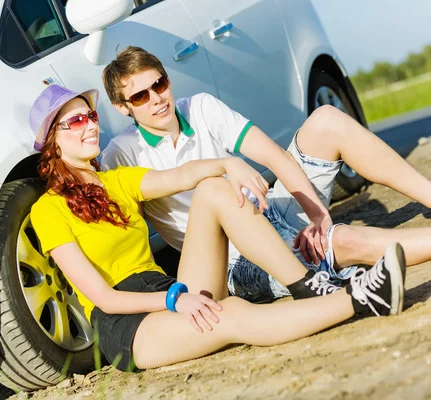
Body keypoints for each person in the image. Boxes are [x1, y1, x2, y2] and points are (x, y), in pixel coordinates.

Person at [100, 46, 431, 304]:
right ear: (124, 108)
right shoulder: (122, 154)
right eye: (140, 96)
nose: (156, 98)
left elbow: (275, 156)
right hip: (237, 260)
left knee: (325, 122)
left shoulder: (198, 107)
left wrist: (318, 216)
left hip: (270, 209)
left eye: (159, 84)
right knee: (347, 242)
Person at [28, 84, 408, 372]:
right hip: (129, 325)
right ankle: (361, 298)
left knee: (211, 189)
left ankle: (306, 286)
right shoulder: (48, 211)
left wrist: (227, 166)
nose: (89, 125)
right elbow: (104, 298)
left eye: (91, 116)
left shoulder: (116, 182)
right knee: (231, 314)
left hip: (167, 288)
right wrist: (176, 300)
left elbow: (184, 174)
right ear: (51, 143)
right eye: (75, 121)